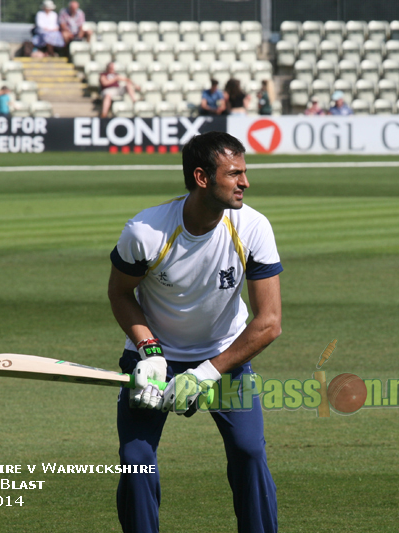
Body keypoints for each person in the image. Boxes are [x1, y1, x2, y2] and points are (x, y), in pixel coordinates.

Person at [107, 131, 282, 533]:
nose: (245, 183)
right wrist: (149, 351)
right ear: (202, 178)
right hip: (153, 361)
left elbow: (268, 322)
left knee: (249, 452)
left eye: (244, 172)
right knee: (136, 461)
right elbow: (119, 292)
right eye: (234, 173)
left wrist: (203, 374)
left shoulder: (253, 227)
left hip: (223, 359)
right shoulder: (146, 231)